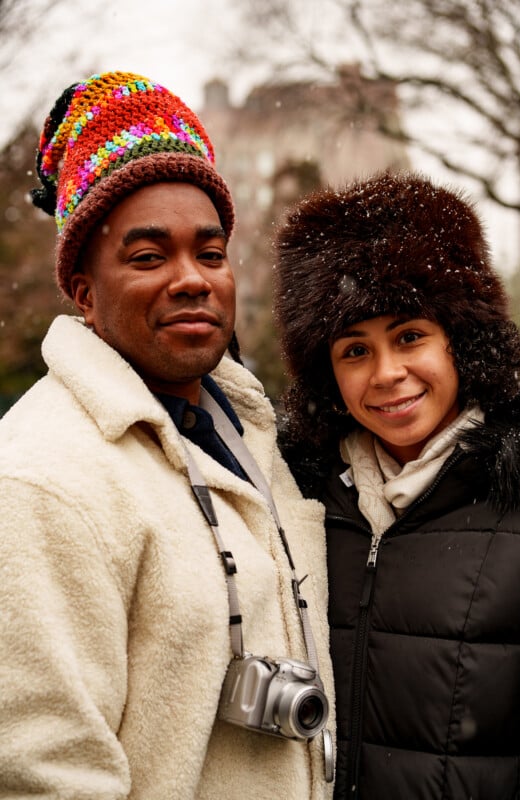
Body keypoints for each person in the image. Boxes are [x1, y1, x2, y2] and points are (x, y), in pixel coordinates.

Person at [0, 71, 335, 800]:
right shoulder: (42, 479)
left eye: (209, 253)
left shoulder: (255, 439)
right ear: (84, 292)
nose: (191, 279)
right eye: (149, 258)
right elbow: (42, 775)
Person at [273, 170, 520, 800]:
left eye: (410, 336)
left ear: (459, 342)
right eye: (354, 351)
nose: (387, 374)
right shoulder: (298, 500)